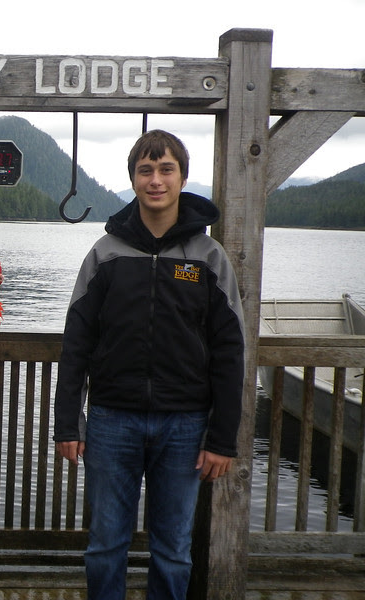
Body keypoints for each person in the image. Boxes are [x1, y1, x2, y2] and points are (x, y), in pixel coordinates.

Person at [54, 129, 245, 600]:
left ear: (182, 178)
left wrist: (222, 438)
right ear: (133, 179)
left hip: (186, 425)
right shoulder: (105, 253)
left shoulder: (209, 257)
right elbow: (76, 343)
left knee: (174, 550)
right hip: (110, 421)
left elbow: (230, 351)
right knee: (105, 546)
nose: (155, 180)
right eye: (145, 170)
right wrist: (67, 423)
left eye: (165, 169)